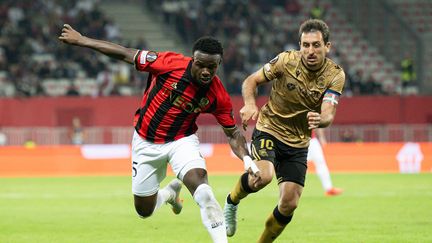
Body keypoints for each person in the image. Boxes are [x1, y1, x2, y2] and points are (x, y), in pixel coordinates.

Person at [59, 24, 259, 243]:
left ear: (218, 64)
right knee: (144, 210)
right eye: (200, 65)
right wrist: (82, 40)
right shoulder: (169, 64)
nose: (205, 71)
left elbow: (232, 133)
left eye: (211, 67)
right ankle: (169, 194)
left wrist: (247, 158)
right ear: (193, 59)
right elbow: (126, 54)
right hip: (145, 142)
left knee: (204, 193)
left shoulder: (218, 94)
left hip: (181, 142)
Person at [223, 19, 345, 242]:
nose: (310, 50)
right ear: (299, 45)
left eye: (316, 45)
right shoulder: (285, 60)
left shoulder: (335, 75)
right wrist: (250, 104)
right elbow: (251, 81)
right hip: (269, 129)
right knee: (263, 176)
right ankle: (231, 201)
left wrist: (321, 119)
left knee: (289, 204)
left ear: (327, 46)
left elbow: (329, 112)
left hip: (298, 143)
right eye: (305, 45)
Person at [308, 128, 342, 196]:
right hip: (296, 140)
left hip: (311, 140)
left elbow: (318, 123)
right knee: (298, 165)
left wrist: (321, 137)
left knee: (320, 162)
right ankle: (291, 190)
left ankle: (329, 189)